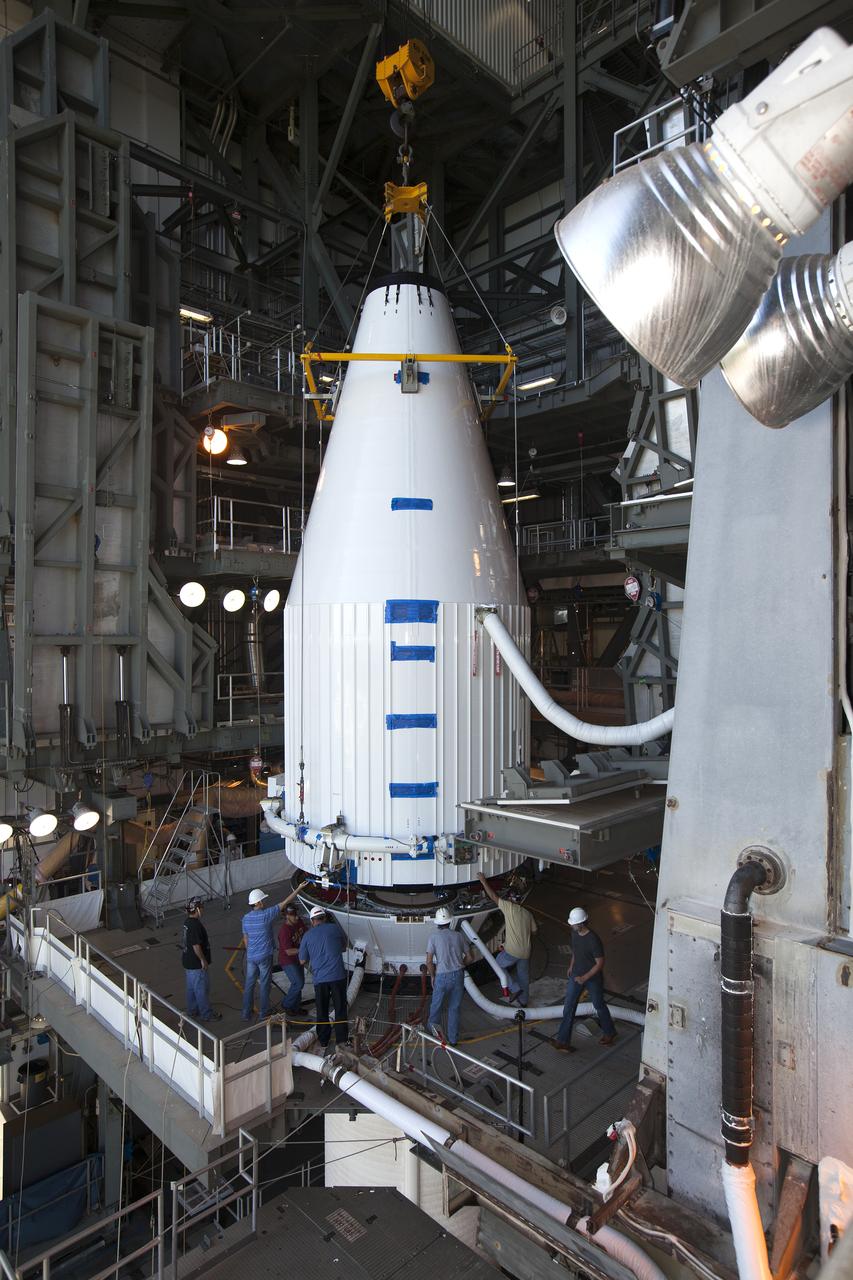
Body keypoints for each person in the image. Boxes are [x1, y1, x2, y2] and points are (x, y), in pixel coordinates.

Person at [552, 906, 617, 1053]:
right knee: (568, 1006)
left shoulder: (593, 940)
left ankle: (609, 1032)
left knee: (598, 1005)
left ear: (581, 923)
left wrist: (585, 977)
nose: (572, 926)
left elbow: (600, 963)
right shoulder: (574, 933)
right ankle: (562, 1041)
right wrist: (571, 966)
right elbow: (575, 951)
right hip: (576, 975)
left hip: (592, 978)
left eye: (574, 924)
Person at [241, 884, 302, 1021]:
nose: (264, 902)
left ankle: (246, 1013)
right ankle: (264, 1012)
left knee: (249, 984)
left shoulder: (245, 918)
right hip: (265, 956)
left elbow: (246, 939)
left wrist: (251, 952)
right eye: (262, 900)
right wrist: (298, 889)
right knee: (264, 984)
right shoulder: (266, 915)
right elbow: (285, 902)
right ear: (258, 903)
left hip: (251, 957)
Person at [477, 871, 537, 1007]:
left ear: (510, 899)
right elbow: (534, 931)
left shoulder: (509, 908)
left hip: (513, 951)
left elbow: (493, 896)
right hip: (526, 951)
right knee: (523, 975)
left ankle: (514, 988)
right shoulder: (528, 914)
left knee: (497, 964)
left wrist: (483, 881)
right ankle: (524, 1001)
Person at [298, 906, 349, 1052]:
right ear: (324, 918)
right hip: (338, 976)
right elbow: (344, 946)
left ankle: (324, 1040)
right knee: (340, 1008)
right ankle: (342, 1041)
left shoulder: (307, 936)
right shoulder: (335, 928)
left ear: (312, 921)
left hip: (320, 979)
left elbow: (302, 960)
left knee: (322, 1010)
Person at [425, 906, 468, 1046]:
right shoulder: (459, 936)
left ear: (437, 923)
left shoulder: (433, 937)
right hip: (458, 974)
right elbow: (470, 957)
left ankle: (434, 1035)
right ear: (450, 922)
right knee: (454, 1008)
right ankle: (453, 1039)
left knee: (436, 1006)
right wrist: (460, 966)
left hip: (442, 976)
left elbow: (429, 961)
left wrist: (432, 976)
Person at [181, 899, 221, 1023]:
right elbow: (196, 946)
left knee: (191, 988)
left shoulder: (187, 922)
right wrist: (203, 960)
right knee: (201, 990)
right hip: (196, 964)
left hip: (188, 962)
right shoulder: (195, 925)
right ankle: (206, 1014)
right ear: (197, 909)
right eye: (201, 907)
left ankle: (192, 1010)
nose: (203, 909)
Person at [278, 902, 307, 1013]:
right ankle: (287, 1004)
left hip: (298, 958)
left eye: (296, 914)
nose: (296, 917)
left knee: (299, 983)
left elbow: (306, 933)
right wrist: (303, 949)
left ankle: (295, 1007)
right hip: (288, 961)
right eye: (293, 915)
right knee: (298, 983)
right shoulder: (284, 931)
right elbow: (289, 951)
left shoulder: (299, 922)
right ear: (287, 916)